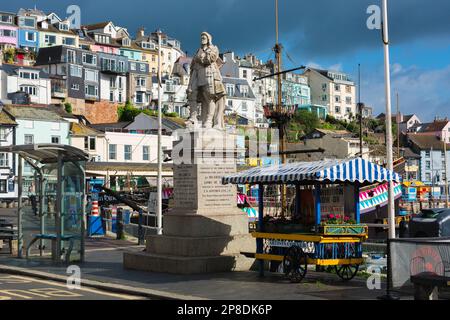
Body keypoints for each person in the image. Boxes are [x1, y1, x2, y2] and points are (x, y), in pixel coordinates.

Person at [187, 32, 226, 129]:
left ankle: (209, 121)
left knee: (209, 97)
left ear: (208, 39)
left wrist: (199, 58)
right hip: (197, 74)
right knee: (192, 94)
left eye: (204, 37)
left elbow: (209, 59)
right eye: (201, 37)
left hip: (209, 74)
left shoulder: (213, 48)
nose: (202, 38)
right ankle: (193, 118)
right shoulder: (198, 51)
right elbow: (193, 65)